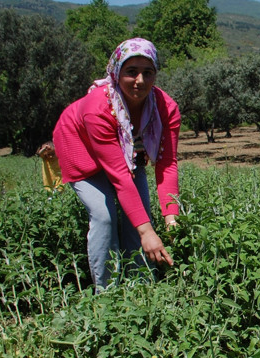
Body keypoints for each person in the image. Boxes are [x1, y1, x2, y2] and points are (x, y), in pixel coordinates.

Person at [53, 38, 180, 289]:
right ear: (116, 72)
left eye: (148, 72)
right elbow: (120, 177)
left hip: (130, 155)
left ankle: (141, 285)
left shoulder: (166, 107)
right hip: (80, 151)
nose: (140, 81)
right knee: (104, 216)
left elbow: (167, 164)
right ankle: (107, 291)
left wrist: (171, 218)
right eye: (131, 72)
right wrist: (147, 233)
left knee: (142, 216)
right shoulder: (98, 108)